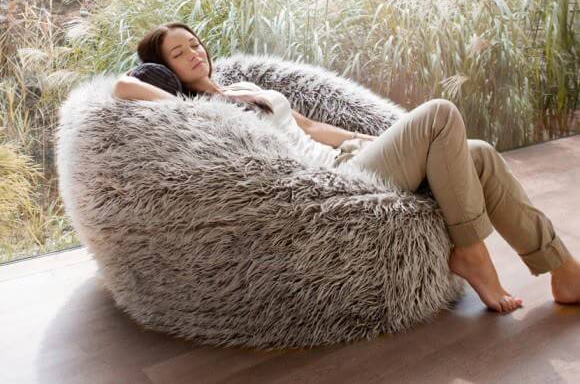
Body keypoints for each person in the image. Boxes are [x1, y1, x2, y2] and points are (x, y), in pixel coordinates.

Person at [112, 22, 580, 314]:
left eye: (194, 43)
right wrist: (177, 91)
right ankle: (472, 253)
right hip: (333, 185)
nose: (195, 52)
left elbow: (312, 127)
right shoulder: (199, 112)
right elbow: (121, 87)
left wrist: (397, 141)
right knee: (441, 112)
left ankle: (562, 269)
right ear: (166, 70)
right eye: (179, 53)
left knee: (476, 151)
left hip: (351, 155)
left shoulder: (245, 87)